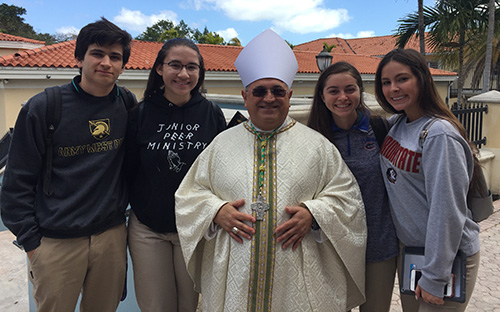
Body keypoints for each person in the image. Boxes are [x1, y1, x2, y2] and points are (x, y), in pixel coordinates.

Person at [174, 29, 367, 312]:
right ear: (245, 96)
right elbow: (188, 195)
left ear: (289, 96)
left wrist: (314, 214)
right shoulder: (220, 145)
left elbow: (349, 200)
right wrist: (215, 210)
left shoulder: (318, 147)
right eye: (259, 91)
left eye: (277, 91)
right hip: (235, 280)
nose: (269, 98)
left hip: (298, 279)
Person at [0, 18, 133, 311]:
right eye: (97, 53)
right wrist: (34, 245)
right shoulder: (44, 107)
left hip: (111, 236)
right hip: (56, 240)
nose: (106, 62)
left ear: (123, 65)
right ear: (79, 57)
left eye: (115, 56)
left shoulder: (126, 104)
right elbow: (15, 183)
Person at [374, 49, 480, 311]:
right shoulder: (398, 124)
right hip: (411, 252)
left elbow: (447, 210)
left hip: (446, 256)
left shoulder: (438, 134)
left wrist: (434, 276)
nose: (393, 89)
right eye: (386, 83)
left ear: (422, 79)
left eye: (402, 79)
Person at [125, 38, 226, 311]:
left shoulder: (212, 115)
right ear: (160, 68)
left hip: (194, 227)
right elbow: (128, 170)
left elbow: (222, 171)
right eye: (175, 65)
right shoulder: (139, 114)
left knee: (190, 305)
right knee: (156, 305)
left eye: (192, 67)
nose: (184, 74)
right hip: (148, 228)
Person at [308, 61, 399, 312]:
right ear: (322, 96)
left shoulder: (382, 130)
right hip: (332, 247)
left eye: (350, 89)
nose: (342, 97)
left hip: (379, 244)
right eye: (333, 91)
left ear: (360, 91)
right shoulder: (312, 139)